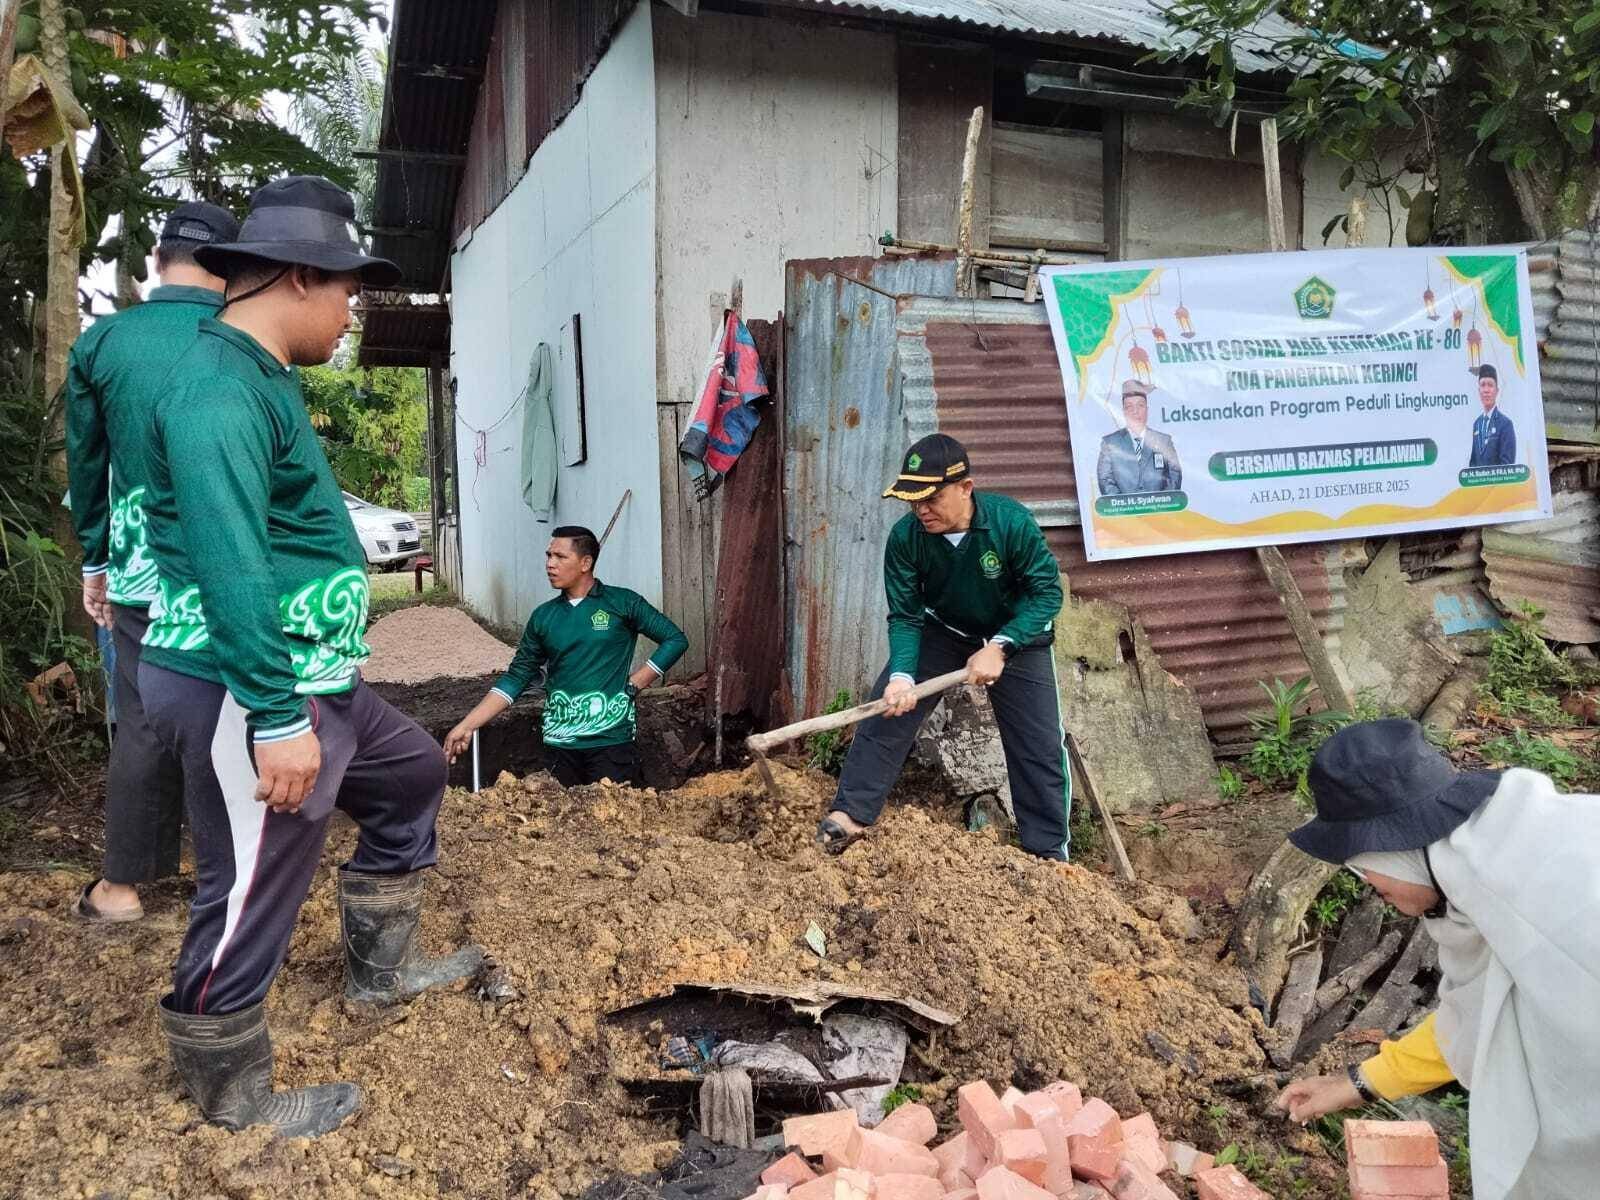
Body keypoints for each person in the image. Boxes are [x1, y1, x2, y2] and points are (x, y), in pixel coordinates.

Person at [137, 176, 482, 1138]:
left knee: (411, 770)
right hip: (245, 684)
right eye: (349, 294)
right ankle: (230, 1093)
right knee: (249, 882)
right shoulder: (215, 393)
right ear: (299, 276)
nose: (352, 316)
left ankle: (378, 973)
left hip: (316, 678)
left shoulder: (261, 377)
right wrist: (278, 718)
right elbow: (231, 559)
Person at [1274, 719, 1600, 1200]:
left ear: (1398, 850)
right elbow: (1477, 1017)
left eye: (1364, 868)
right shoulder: (1488, 878)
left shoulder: (1555, 898)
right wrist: (1358, 1084)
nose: (1368, 885)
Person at [65, 201, 239, 922]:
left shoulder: (104, 342)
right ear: (231, 271)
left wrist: (96, 563)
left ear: (155, 259)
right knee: (233, 711)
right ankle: (230, 879)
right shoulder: (245, 339)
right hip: (234, 565)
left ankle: (122, 888)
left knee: (142, 713)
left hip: (142, 572)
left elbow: (85, 463)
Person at [815, 433, 1071, 860]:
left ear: (965, 488)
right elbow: (906, 614)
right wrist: (901, 675)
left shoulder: (1010, 523)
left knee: (1037, 744)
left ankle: (1048, 853)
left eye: (930, 498)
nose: (921, 509)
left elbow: (1047, 595)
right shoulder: (906, 538)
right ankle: (851, 815)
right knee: (888, 712)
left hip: (1018, 635)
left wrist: (1002, 645)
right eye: (912, 499)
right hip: (945, 629)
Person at [444, 527, 688, 787]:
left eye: (560, 557)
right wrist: (468, 724)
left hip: (612, 743)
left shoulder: (623, 603)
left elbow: (675, 640)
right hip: (558, 745)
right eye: (549, 556)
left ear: (585, 563)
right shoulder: (544, 617)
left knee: (614, 820)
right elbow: (516, 678)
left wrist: (637, 682)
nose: (550, 564)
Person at [1095, 380, 1182, 496]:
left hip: (1160, 510)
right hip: (1124, 511)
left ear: (1147, 409)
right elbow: (1105, 479)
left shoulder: (1164, 441)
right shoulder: (1110, 443)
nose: (1135, 412)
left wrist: (1160, 503)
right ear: (1123, 412)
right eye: (1129, 407)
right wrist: (1127, 506)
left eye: (1140, 405)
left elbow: (1174, 474)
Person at [1467, 364, 1516, 467]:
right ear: (1478, 391)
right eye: (1483, 385)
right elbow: (1473, 462)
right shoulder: (1477, 424)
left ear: (1497, 391)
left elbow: (1507, 466)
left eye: (1490, 385)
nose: (1486, 390)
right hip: (1479, 483)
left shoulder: (1505, 424)